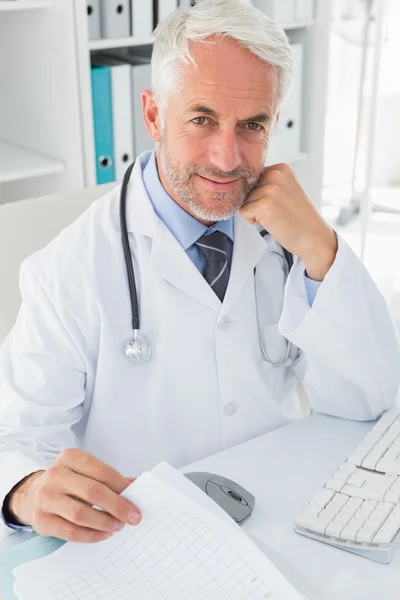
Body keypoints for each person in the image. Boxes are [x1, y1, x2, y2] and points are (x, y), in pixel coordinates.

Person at [0, 0, 399, 544]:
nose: (228, 157)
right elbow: (17, 441)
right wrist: (24, 490)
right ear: (153, 115)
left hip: (276, 517)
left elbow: (369, 399)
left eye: (252, 125)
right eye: (202, 118)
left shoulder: (285, 239)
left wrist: (321, 249)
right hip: (141, 536)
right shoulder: (68, 271)